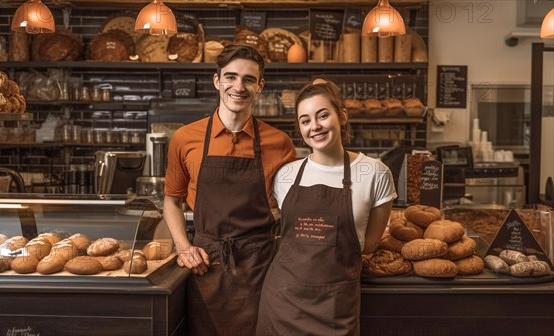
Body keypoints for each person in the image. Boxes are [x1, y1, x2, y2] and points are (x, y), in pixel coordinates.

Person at [163, 44, 296, 335]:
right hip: (204, 266)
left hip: (261, 267)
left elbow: (293, 210)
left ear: (260, 86)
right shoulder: (185, 138)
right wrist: (184, 248)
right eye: (231, 77)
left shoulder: (280, 143)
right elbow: (172, 202)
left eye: (249, 79)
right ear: (217, 81)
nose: (239, 86)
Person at [256, 79, 397, 336]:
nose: (315, 126)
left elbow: (369, 245)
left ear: (342, 116)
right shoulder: (285, 175)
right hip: (282, 303)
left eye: (323, 115)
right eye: (305, 120)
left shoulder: (375, 173)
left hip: (335, 308)